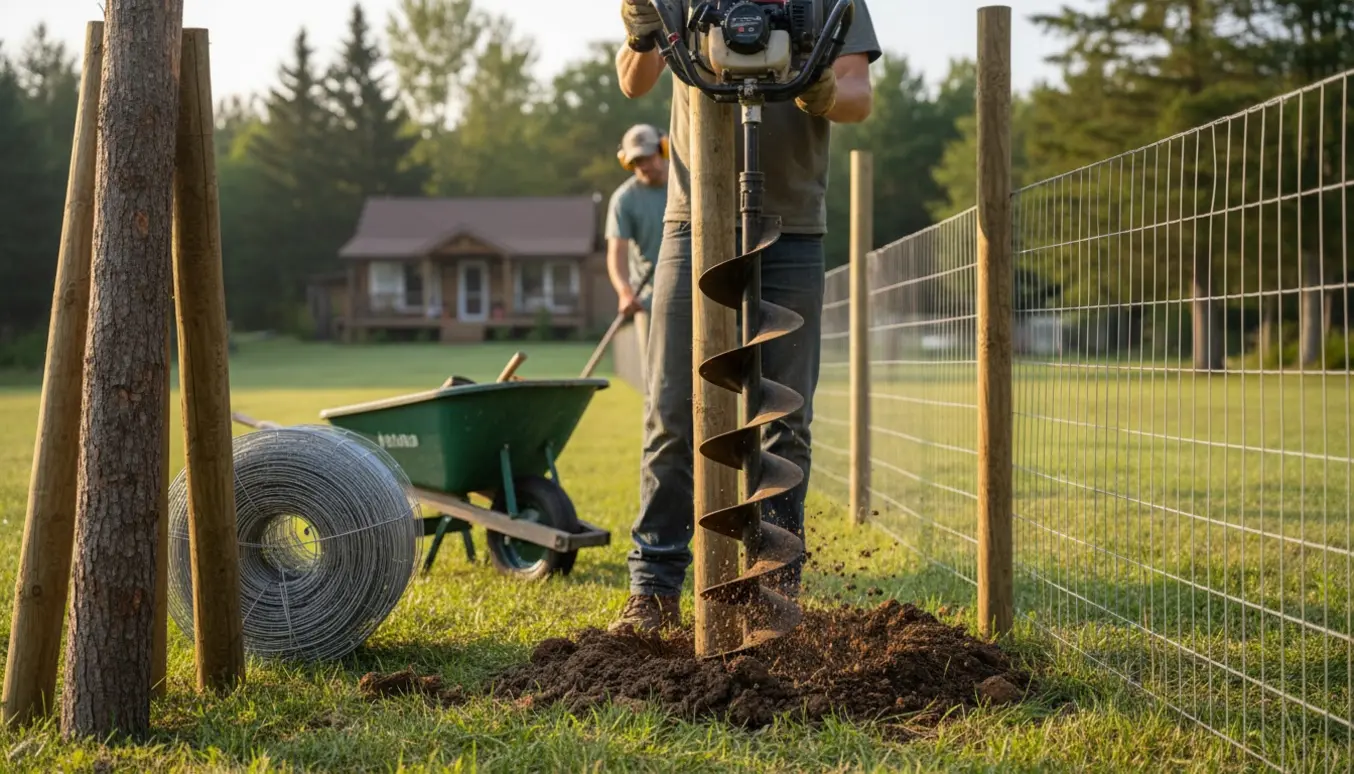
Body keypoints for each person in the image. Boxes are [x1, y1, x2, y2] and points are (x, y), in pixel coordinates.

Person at [608, 0, 881, 633]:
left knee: (785, 418)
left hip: (792, 222)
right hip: (690, 218)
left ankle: (773, 589)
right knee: (674, 410)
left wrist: (814, 88)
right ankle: (652, 589)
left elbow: (858, 96)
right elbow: (632, 80)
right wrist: (643, 30)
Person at [605, 123, 670, 380]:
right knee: (656, 378)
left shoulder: (687, 185)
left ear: (663, 149)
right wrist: (624, 292)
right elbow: (616, 252)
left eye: (648, 157)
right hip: (651, 298)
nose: (644, 166)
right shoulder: (625, 200)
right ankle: (653, 422)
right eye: (637, 161)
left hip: (695, 294)